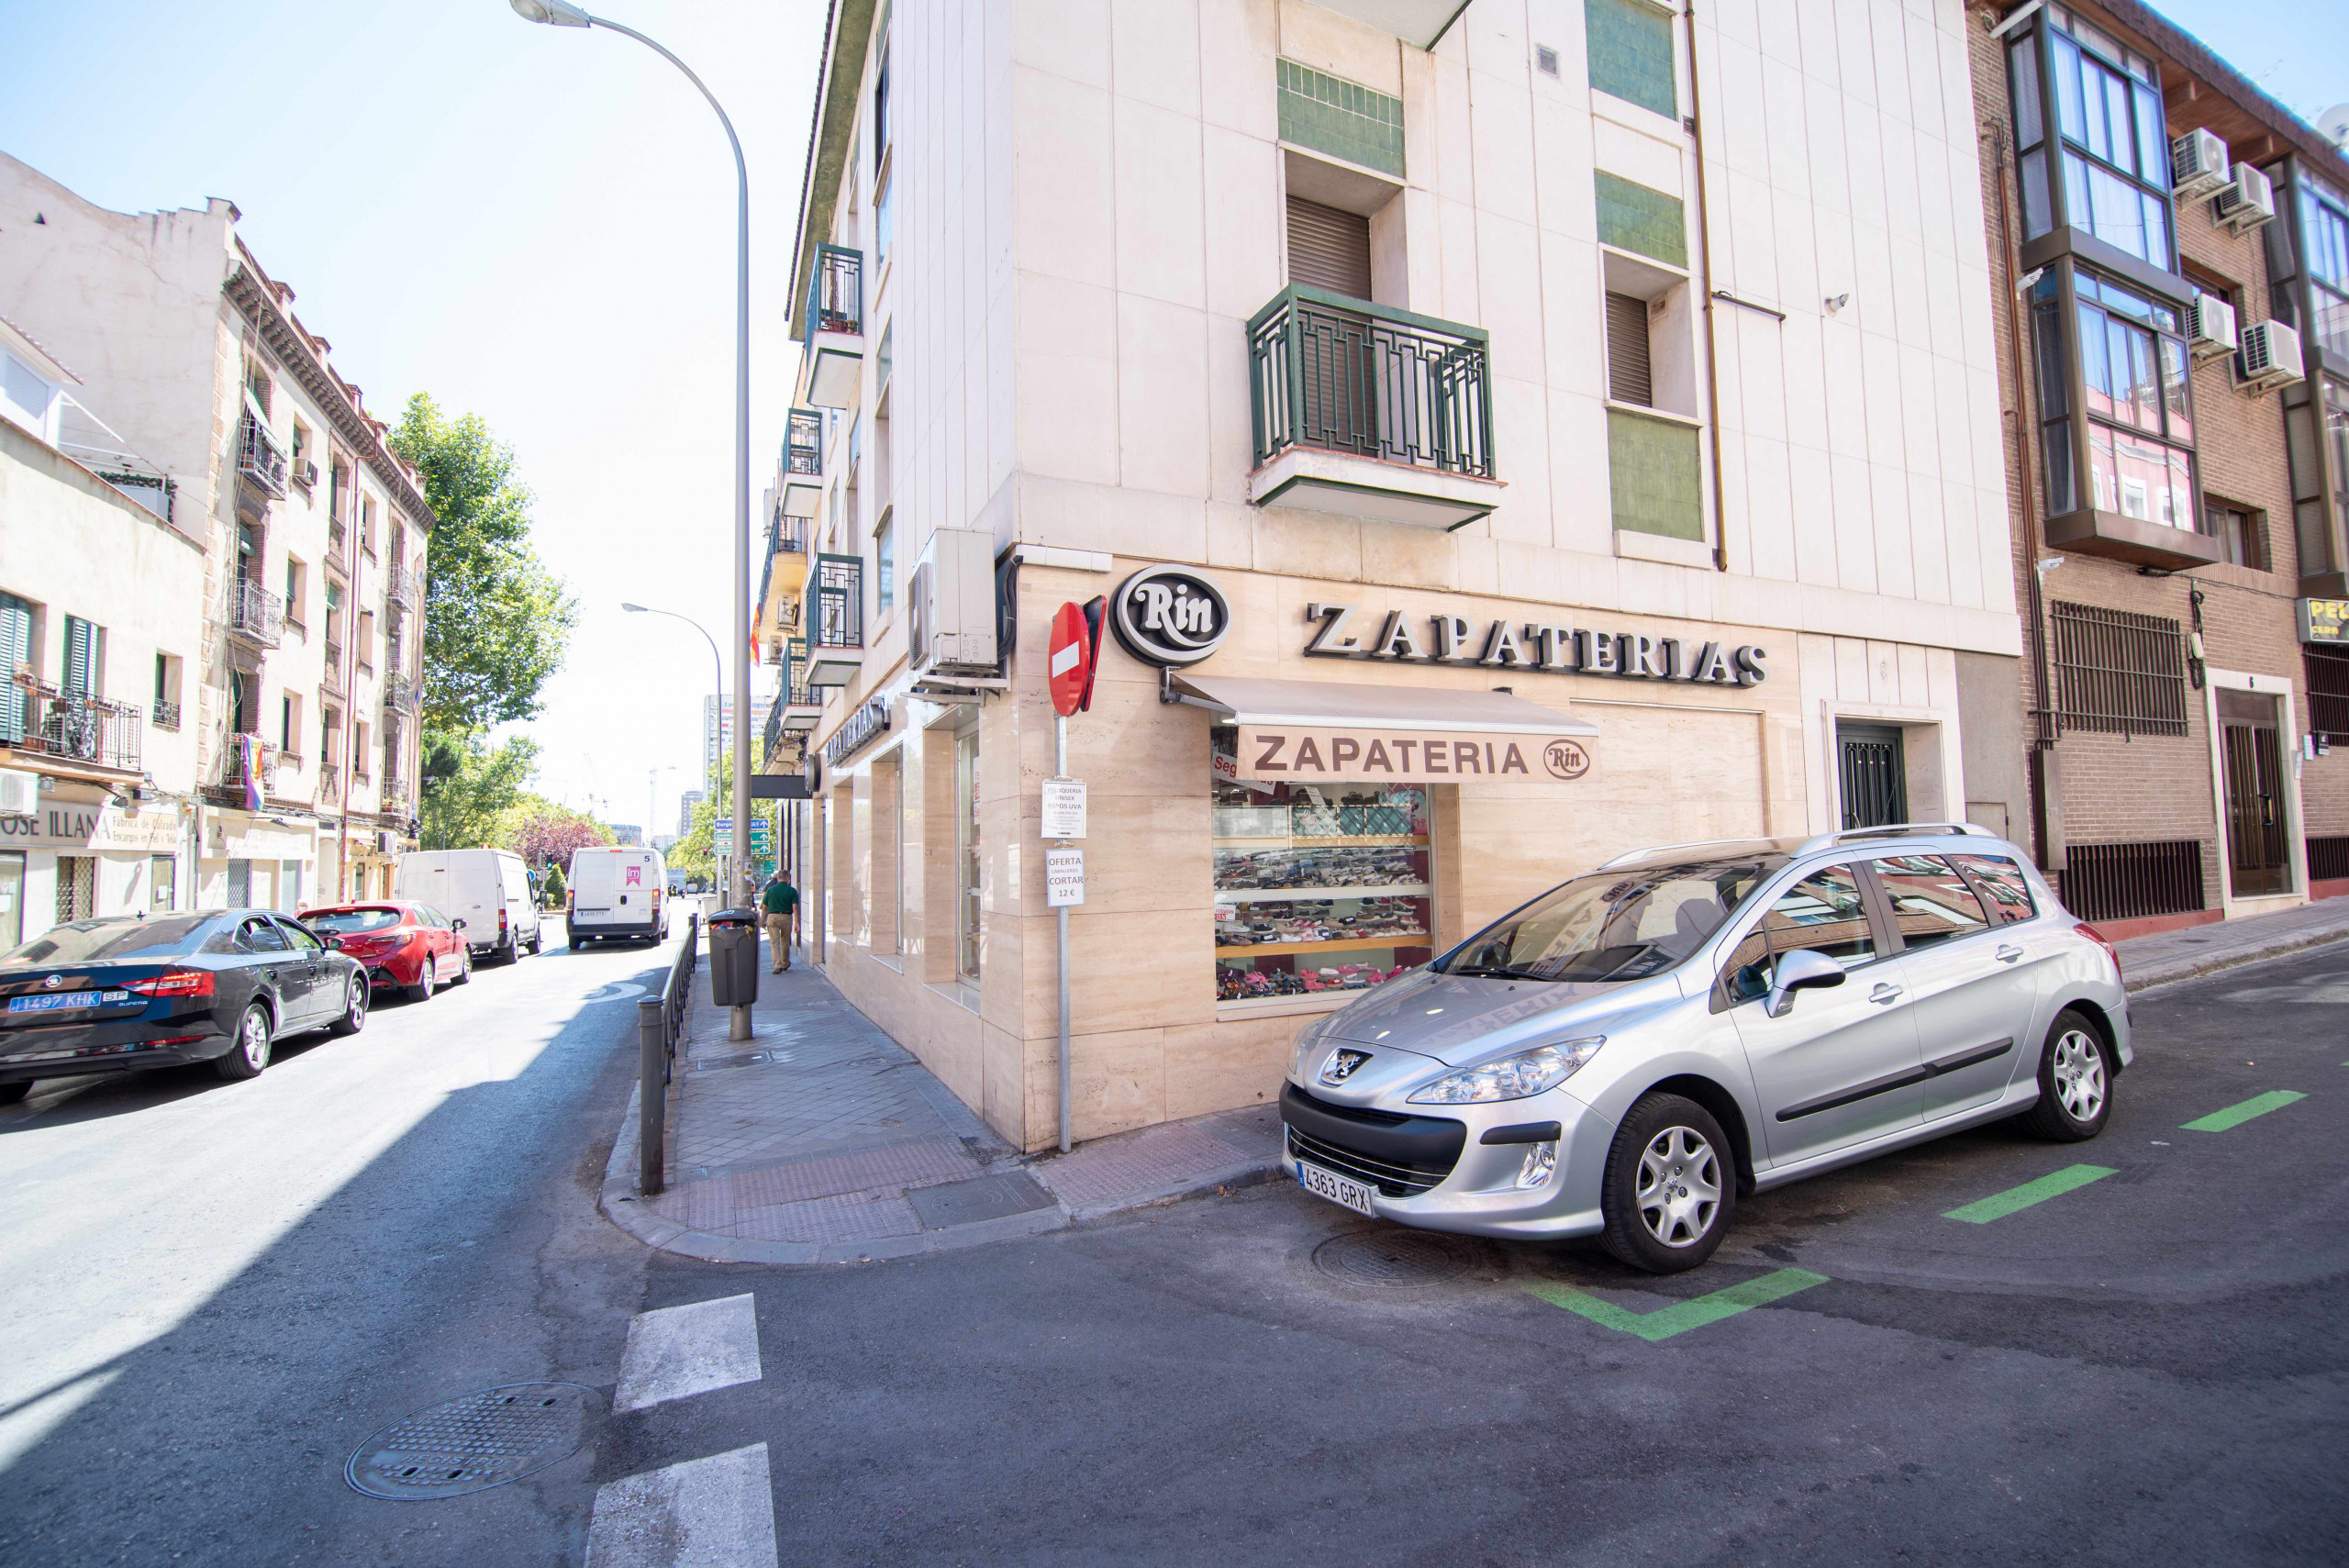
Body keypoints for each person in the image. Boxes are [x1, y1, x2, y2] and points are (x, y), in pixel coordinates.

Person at [761, 871, 799, 973]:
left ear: (778, 878)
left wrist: (761, 920)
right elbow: (795, 908)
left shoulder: (770, 890)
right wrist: (797, 922)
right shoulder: (792, 891)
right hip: (786, 917)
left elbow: (764, 907)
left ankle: (777, 965)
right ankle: (785, 963)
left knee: (774, 942)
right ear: (788, 879)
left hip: (772, 917)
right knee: (785, 940)